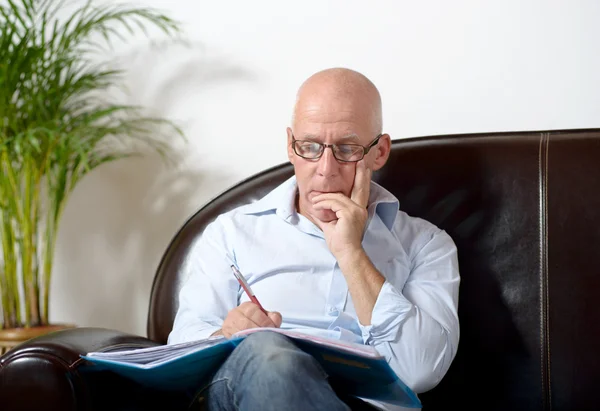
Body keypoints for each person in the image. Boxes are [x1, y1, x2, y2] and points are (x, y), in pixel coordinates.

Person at [168, 67, 460, 411]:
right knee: (270, 355)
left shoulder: (427, 245)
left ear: (379, 152)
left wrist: (350, 252)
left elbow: (419, 371)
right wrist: (224, 336)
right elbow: (183, 342)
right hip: (247, 392)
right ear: (290, 146)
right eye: (309, 147)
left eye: (347, 149)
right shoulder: (231, 232)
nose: (325, 169)